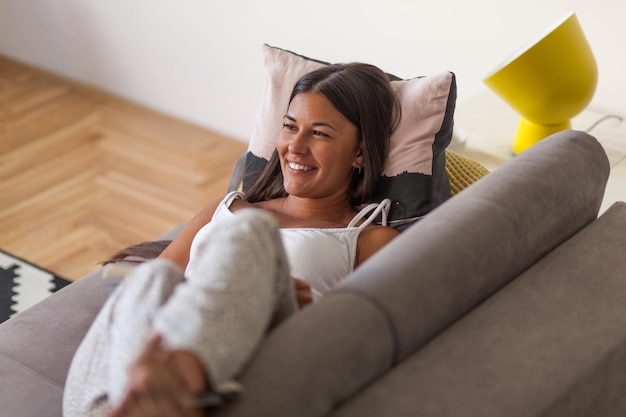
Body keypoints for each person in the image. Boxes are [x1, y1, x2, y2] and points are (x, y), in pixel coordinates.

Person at [63, 62, 401, 417]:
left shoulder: (369, 240)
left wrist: (289, 304)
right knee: (151, 278)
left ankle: (181, 379)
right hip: (119, 390)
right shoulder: (228, 206)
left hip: (250, 362)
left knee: (252, 230)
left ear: (360, 152)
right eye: (289, 127)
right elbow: (163, 291)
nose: (295, 146)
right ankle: (150, 393)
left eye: (319, 134)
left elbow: (369, 344)